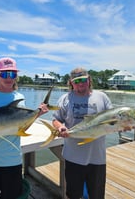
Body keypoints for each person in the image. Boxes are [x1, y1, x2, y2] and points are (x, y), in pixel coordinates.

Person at [0, 57, 49, 199]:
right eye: (5, 73)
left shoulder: (20, 97)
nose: (9, 77)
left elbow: (21, 127)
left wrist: (37, 115)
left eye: (13, 74)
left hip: (13, 162)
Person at [52, 67, 113, 199]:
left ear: (89, 80)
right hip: (73, 156)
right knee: (73, 194)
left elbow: (113, 120)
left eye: (83, 80)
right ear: (71, 83)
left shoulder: (102, 97)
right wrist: (60, 127)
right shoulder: (65, 99)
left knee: (96, 195)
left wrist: (125, 125)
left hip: (97, 157)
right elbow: (56, 119)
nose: (80, 83)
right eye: (77, 80)